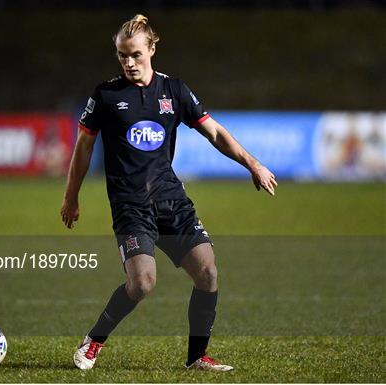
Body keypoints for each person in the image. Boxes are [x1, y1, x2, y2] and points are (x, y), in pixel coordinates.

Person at [60, 14, 277, 371]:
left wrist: (253, 164)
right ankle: (93, 341)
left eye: (135, 55)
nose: (129, 63)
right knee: (143, 282)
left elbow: (215, 133)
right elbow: (83, 147)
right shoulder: (106, 95)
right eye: (121, 56)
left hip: (170, 199)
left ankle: (197, 357)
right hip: (131, 204)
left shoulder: (174, 90)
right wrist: (71, 197)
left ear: (152, 49)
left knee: (207, 272)